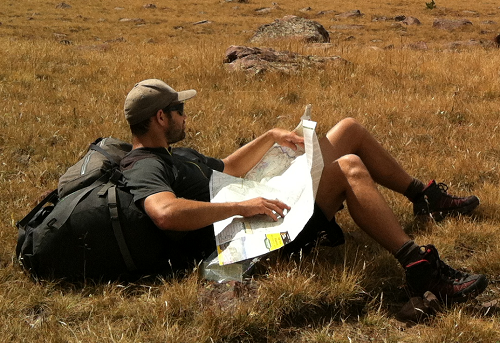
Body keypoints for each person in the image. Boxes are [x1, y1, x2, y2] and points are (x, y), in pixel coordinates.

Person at [121, 79, 487, 302]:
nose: (185, 115)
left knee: (348, 130)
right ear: (161, 117)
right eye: (179, 108)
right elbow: (165, 214)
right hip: (256, 236)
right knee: (348, 168)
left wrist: (270, 137)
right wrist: (244, 207)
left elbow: (227, 169)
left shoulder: (175, 154)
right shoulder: (146, 166)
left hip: (262, 203)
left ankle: (425, 198)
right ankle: (419, 268)